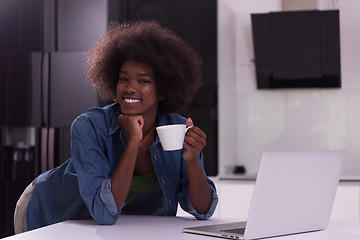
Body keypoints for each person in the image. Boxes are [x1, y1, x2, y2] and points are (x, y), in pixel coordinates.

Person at [13, 20, 218, 233]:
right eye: (123, 79)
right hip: (49, 214)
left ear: (163, 90)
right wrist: (133, 142)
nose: (130, 88)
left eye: (143, 81)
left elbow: (203, 210)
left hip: (119, 230)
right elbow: (104, 213)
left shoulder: (177, 128)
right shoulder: (89, 126)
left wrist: (192, 159)